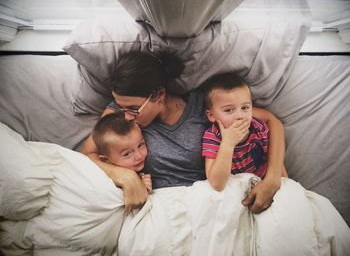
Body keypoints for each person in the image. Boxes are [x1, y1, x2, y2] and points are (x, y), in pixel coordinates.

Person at [81, 51, 285, 213]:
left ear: (159, 95)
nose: (126, 116)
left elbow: (272, 121)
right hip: (159, 205)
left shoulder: (199, 108)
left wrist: (273, 179)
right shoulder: (121, 111)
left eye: (133, 108)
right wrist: (127, 177)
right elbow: (87, 155)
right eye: (120, 106)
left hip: (206, 202)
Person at [201, 73, 288, 192]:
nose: (240, 116)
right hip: (234, 190)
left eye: (245, 108)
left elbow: (275, 160)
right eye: (228, 110)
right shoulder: (213, 137)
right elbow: (217, 184)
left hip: (263, 185)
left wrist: (283, 185)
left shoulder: (258, 127)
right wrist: (228, 144)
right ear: (211, 115)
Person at [91, 112, 152, 193]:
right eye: (127, 154)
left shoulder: (139, 173)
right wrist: (138, 190)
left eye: (140, 145)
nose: (139, 156)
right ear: (106, 160)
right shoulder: (107, 183)